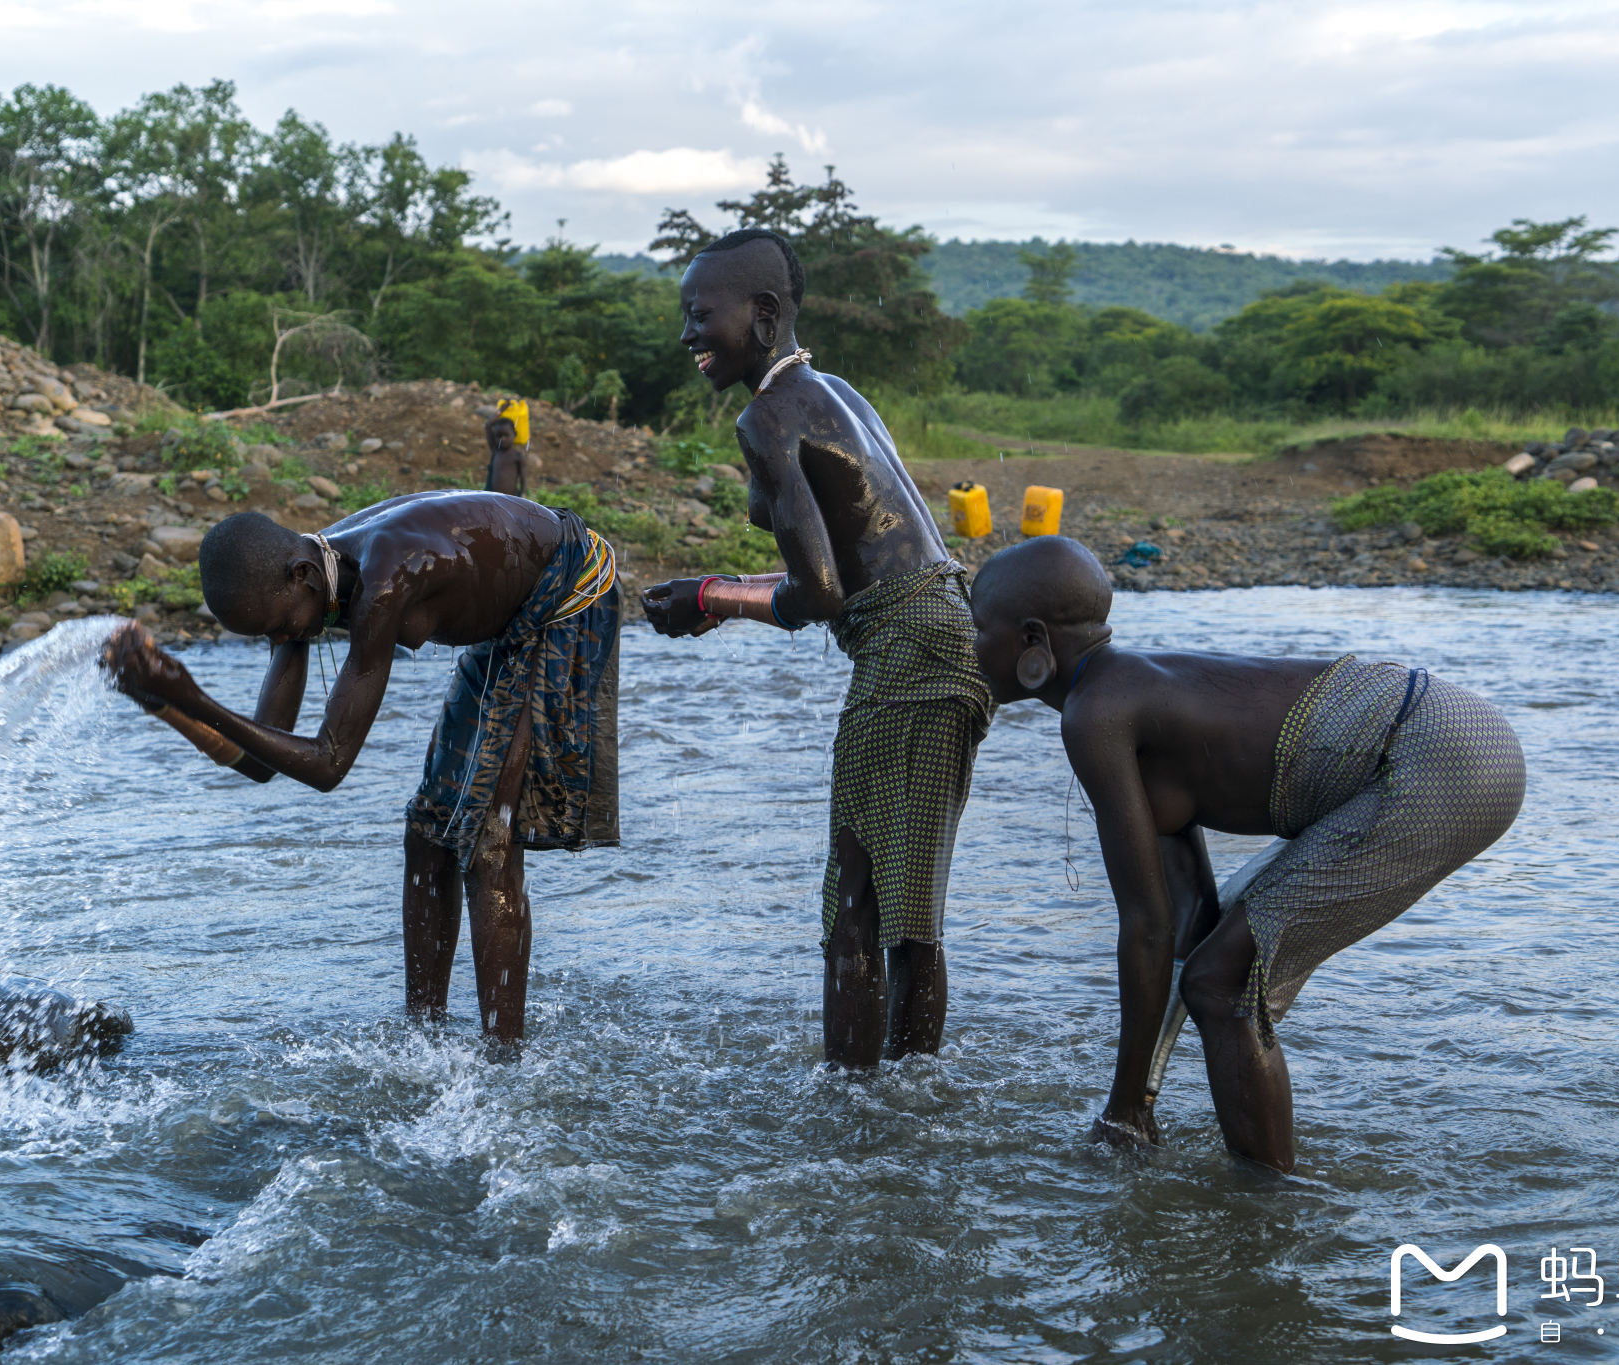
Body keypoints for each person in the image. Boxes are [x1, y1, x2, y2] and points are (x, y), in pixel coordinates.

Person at [968, 536, 1525, 1173]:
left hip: (1436, 759)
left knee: (1219, 985)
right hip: (1456, 733)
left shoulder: (1095, 714)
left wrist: (1124, 1107)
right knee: (1216, 972)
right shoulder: (1124, 692)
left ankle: (1268, 1208)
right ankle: (1254, 1188)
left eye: (980, 629)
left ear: (1033, 640)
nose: (971, 646)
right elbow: (1184, 924)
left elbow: (1145, 930)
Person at [641, 227, 993, 1069]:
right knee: (910, 910)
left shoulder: (765, 419)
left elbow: (822, 595)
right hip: (952, 629)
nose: (688, 334)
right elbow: (845, 565)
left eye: (701, 314)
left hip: (903, 652)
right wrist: (723, 589)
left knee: (857, 908)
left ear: (762, 316)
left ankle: (856, 1120)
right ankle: (910, 1109)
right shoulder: (836, 391)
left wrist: (714, 598)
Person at [102, 494, 620, 1044]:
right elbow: (259, 765)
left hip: (569, 593)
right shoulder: (303, 586)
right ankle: (424, 1040)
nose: (284, 640)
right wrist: (162, 704)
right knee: (427, 834)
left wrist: (192, 694)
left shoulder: (383, 578)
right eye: (269, 637)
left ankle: (504, 1060)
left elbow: (329, 764)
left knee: (490, 838)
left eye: (280, 627)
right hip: (512, 620)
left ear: (300, 575)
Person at [483, 398, 530, 497]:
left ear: (515, 434)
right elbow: (488, 425)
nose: (502, 439)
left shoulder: (518, 456)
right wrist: (501, 410)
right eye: (499, 436)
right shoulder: (496, 450)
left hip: (510, 500)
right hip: (492, 499)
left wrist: (523, 497)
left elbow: (523, 479)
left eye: (506, 435)